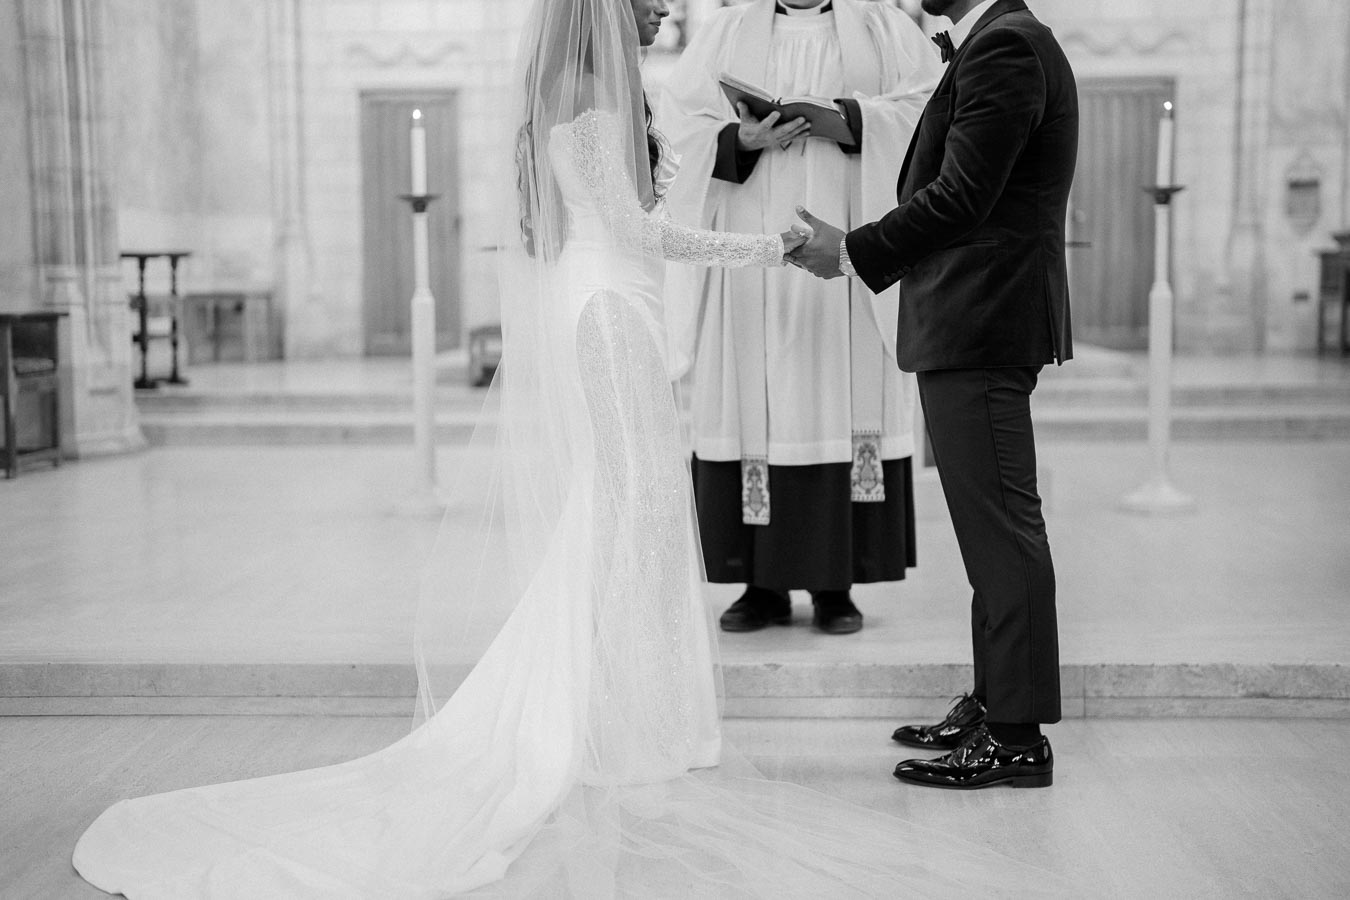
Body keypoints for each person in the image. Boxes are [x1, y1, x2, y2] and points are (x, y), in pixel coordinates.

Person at [72, 3, 1075, 896]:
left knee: (626, 513)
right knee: (629, 514)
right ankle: (604, 721)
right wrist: (773, 247)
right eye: (649, 0)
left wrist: (804, 234)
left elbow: (646, 213)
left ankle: (619, 714)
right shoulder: (592, 90)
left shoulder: (603, 82)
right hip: (612, 310)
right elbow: (639, 231)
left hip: (628, 307)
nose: (664, 11)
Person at [788, 0, 1078, 790]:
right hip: (973, 318)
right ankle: (996, 703)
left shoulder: (1008, 48)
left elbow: (961, 197)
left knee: (1004, 531)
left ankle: (1016, 737)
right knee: (990, 534)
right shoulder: (998, 41)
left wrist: (851, 250)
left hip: (982, 319)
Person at [660, 0, 941, 635]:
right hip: (749, 265)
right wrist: (739, 140)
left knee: (839, 399)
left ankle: (835, 584)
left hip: (848, 260)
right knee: (756, 407)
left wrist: (853, 121)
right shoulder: (729, 31)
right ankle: (760, 584)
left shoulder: (881, 27)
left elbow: (932, 111)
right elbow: (676, 131)